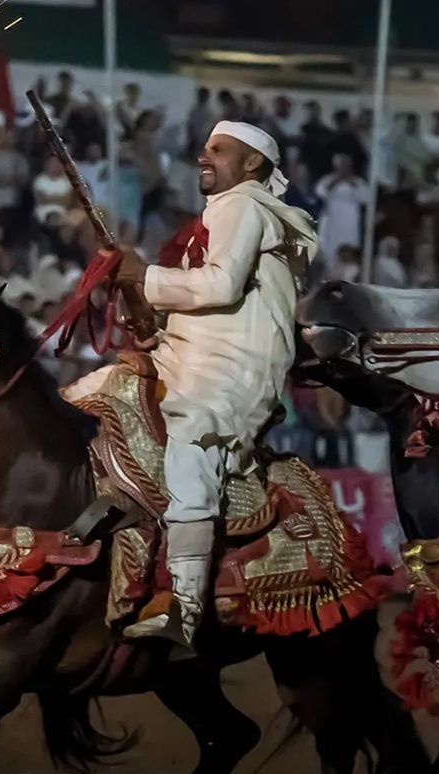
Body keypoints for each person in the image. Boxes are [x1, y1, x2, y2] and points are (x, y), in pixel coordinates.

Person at [105, 121, 319, 647]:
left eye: (219, 151)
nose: (205, 157)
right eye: (204, 149)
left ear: (251, 166)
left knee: (190, 444)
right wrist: (154, 326)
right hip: (198, 356)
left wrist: (144, 278)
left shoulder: (245, 205)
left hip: (234, 368)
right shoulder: (222, 210)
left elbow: (222, 284)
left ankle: (186, 606)